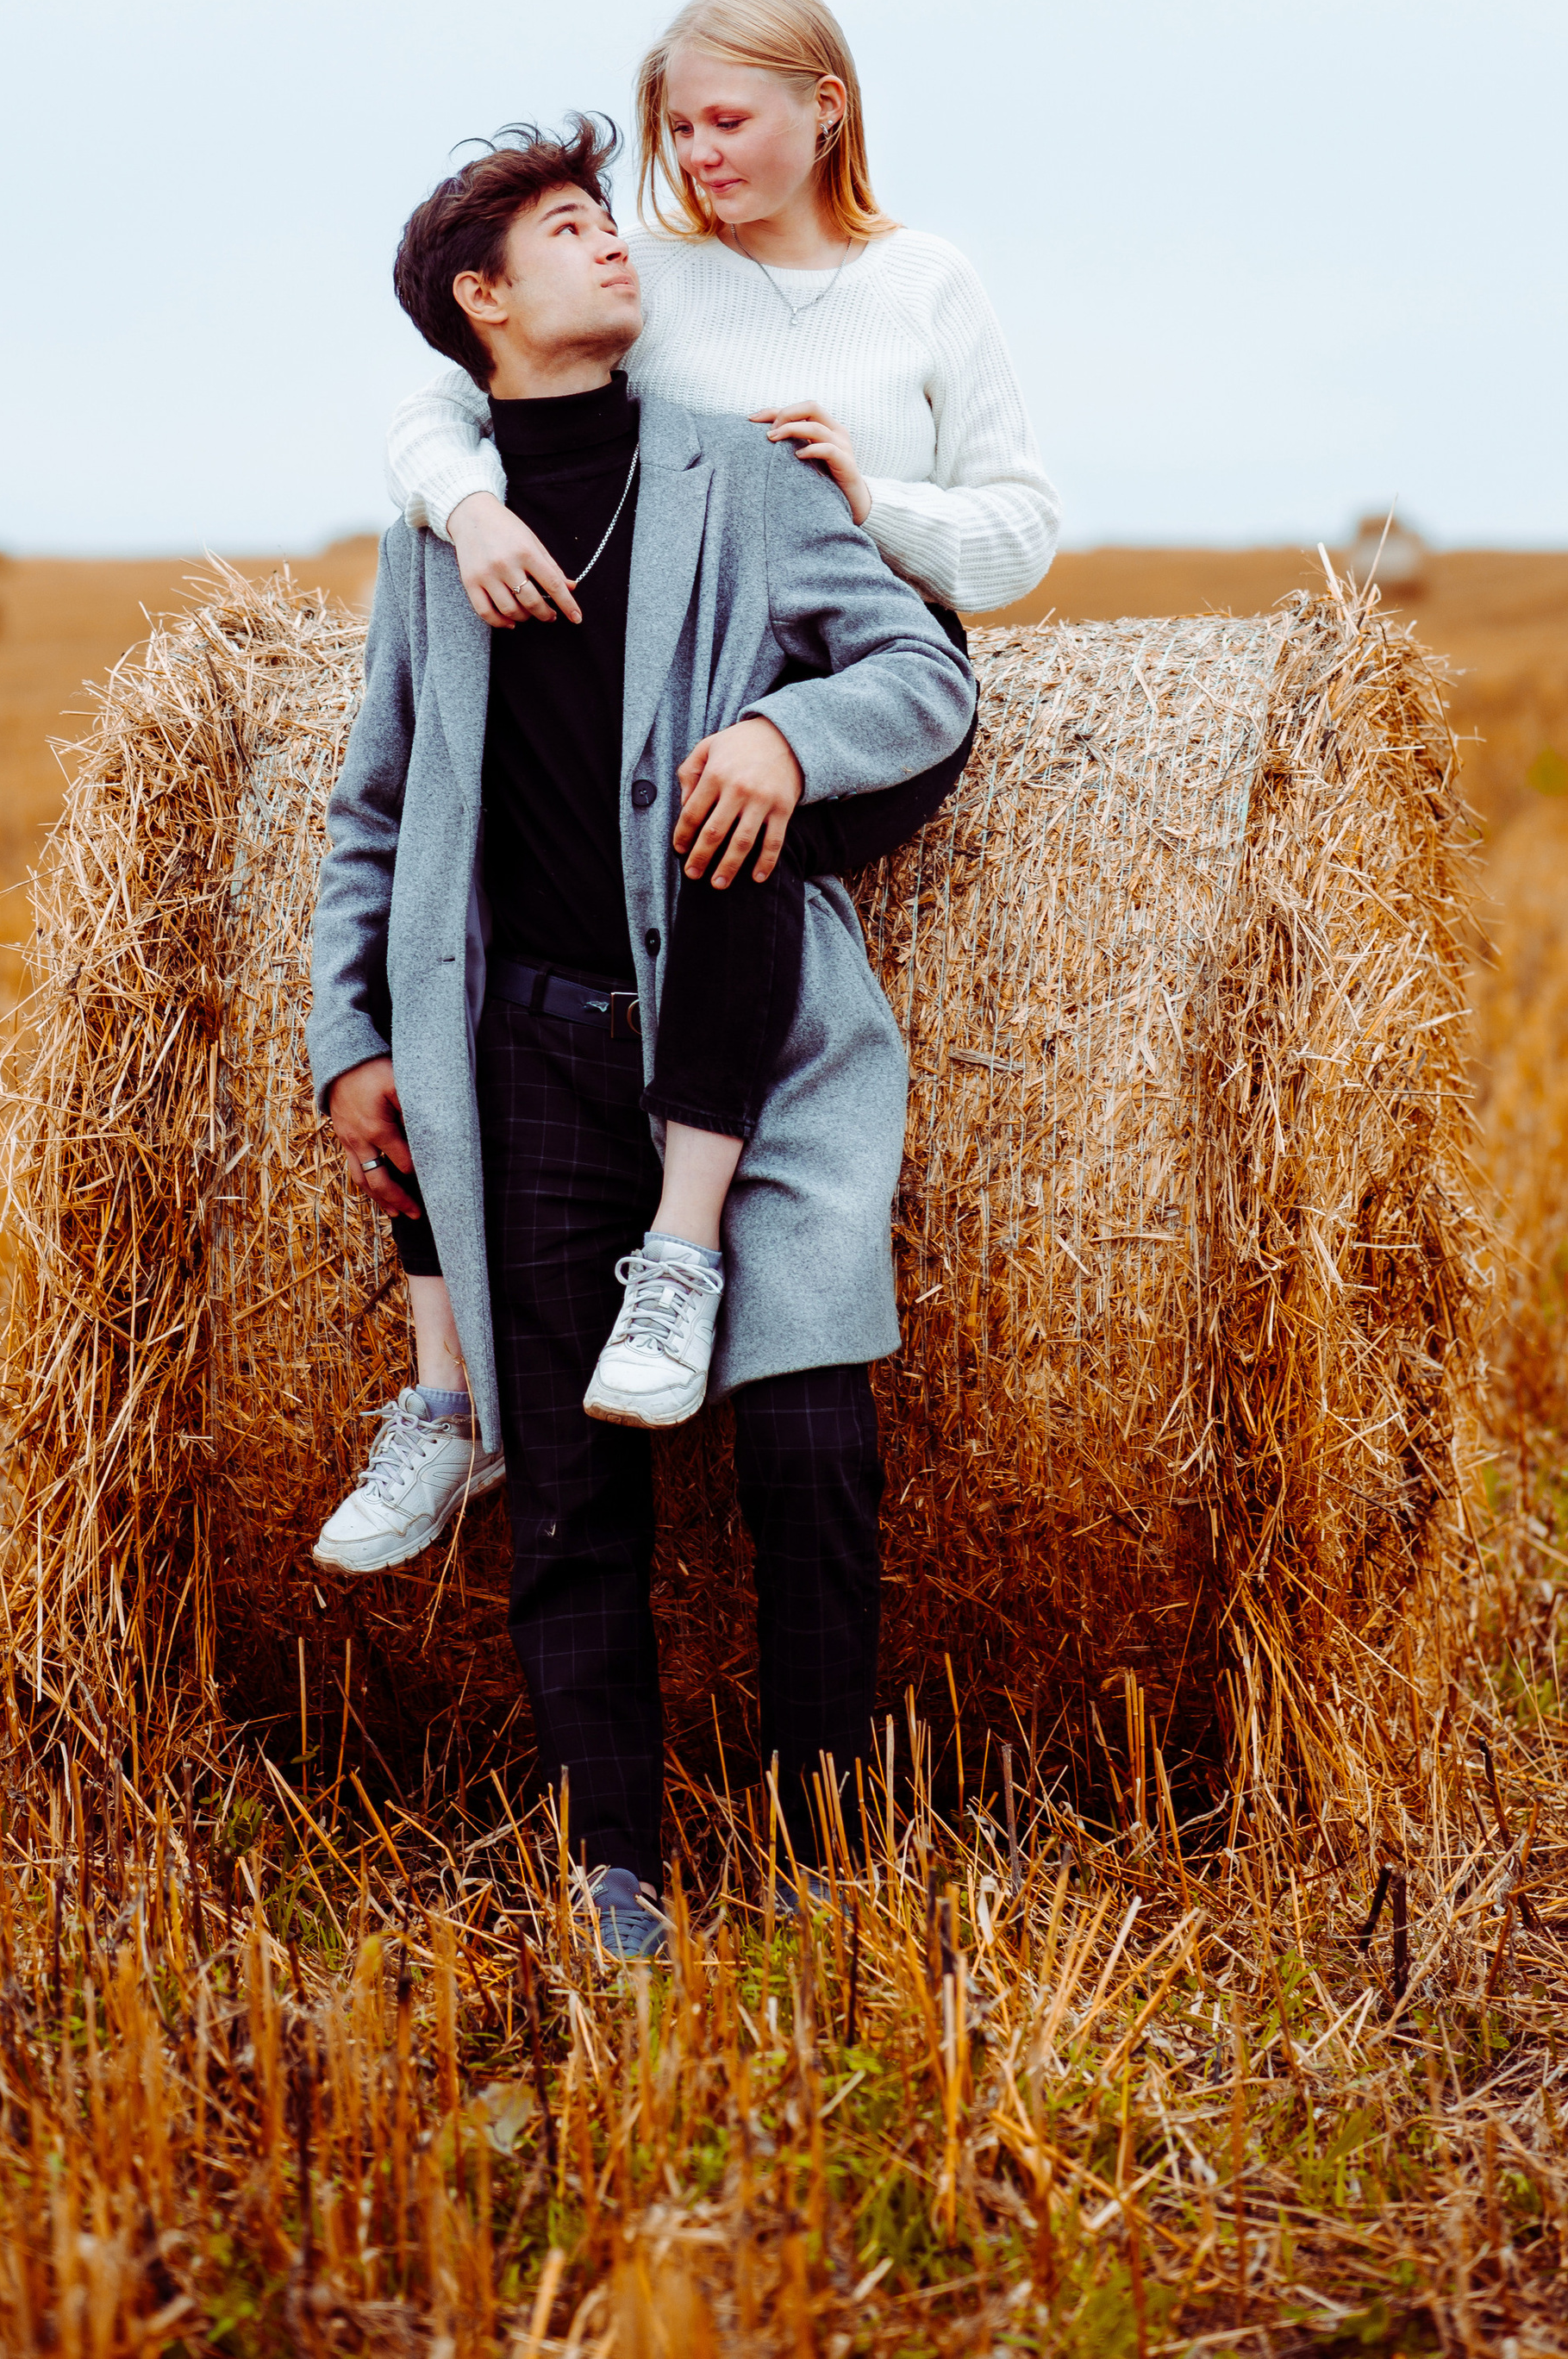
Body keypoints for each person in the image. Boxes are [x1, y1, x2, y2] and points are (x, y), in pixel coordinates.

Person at [305, 120, 978, 1951]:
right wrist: (350, 1037)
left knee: (811, 1450)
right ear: (482, 296)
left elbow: (920, 673)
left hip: (755, 1046)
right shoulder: (433, 540)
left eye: (609, 220)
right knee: (568, 1493)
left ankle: (825, 1844)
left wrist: (784, 736)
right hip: (519, 1051)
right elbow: (374, 811)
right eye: (566, 227)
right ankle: (617, 1869)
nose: (615, 245)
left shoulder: (739, 479)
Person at [359, 0, 1058, 1499]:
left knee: (732, 816)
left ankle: (681, 1247)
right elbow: (443, 401)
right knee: (679, 802)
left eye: (727, 121)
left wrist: (874, 502)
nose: (696, 155)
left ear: (828, 107)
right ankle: (483, 1365)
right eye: (678, 128)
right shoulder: (656, 275)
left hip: (873, 673)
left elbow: (1019, 532)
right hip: (703, 674)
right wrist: (466, 506)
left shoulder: (926, 283)